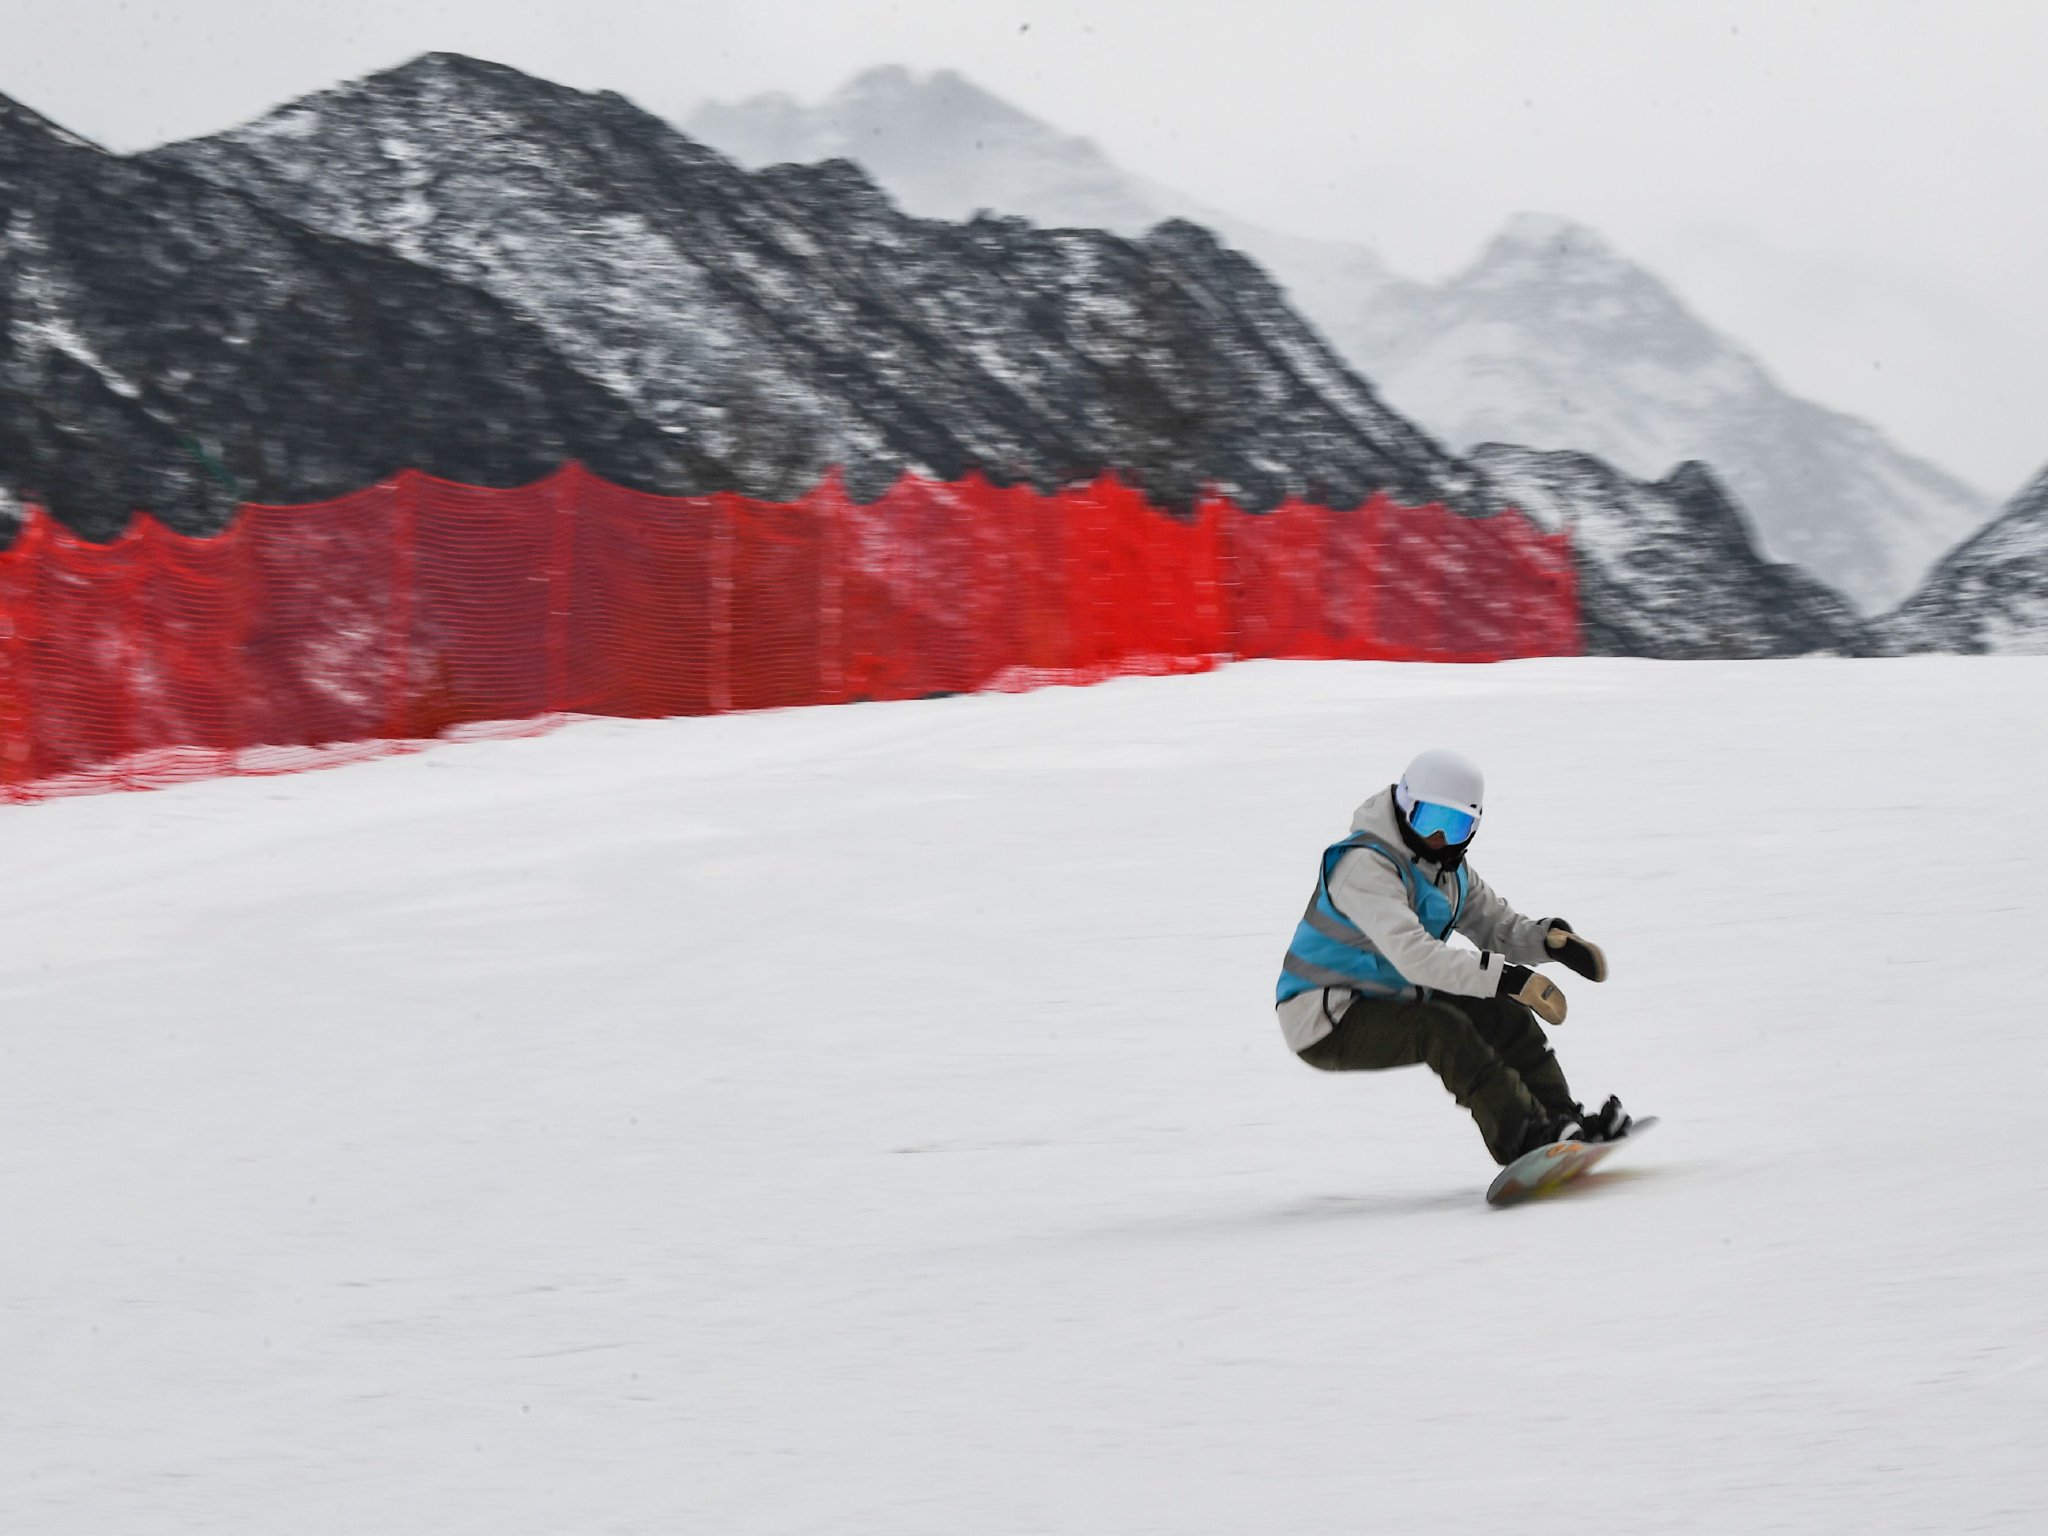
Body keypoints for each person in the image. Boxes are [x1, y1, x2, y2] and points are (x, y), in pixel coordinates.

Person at [1275, 747, 1629, 1166]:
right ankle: (1523, 1137)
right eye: (1429, 819)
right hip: (1323, 1015)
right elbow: (1416, 957)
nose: (1440, 837)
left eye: (1456, 824)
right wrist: (1512, 979)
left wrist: (1548, 942)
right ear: (1404, 805)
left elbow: (1496, 928)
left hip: (1388, 993)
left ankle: (1560, 1122)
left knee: (1502, 1011)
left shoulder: (1448, 870)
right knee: (1442, 1030)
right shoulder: (1363, 866)